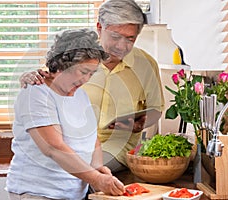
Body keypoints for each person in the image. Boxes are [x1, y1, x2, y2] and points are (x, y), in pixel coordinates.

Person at [20, 0, 165, 176]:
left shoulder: (146, 65)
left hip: (115, 149)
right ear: (99, 27)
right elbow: (49, 82)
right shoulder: (78, 57)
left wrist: (139, 122)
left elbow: (156, 110)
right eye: (115, 36)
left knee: (85, 169)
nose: (121, 46)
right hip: (72, 144)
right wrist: (29, 77)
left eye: (130, 38)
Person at [6, 28, 125, 200]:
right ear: (63, 64)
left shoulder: (80, 95)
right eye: (83, 72)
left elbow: (92, 138)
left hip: (74, 193)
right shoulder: (36, 93)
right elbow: (53, 148)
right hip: (39, 192)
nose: (87, 79)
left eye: (91, 73)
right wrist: (97, 179)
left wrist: (98, 166)